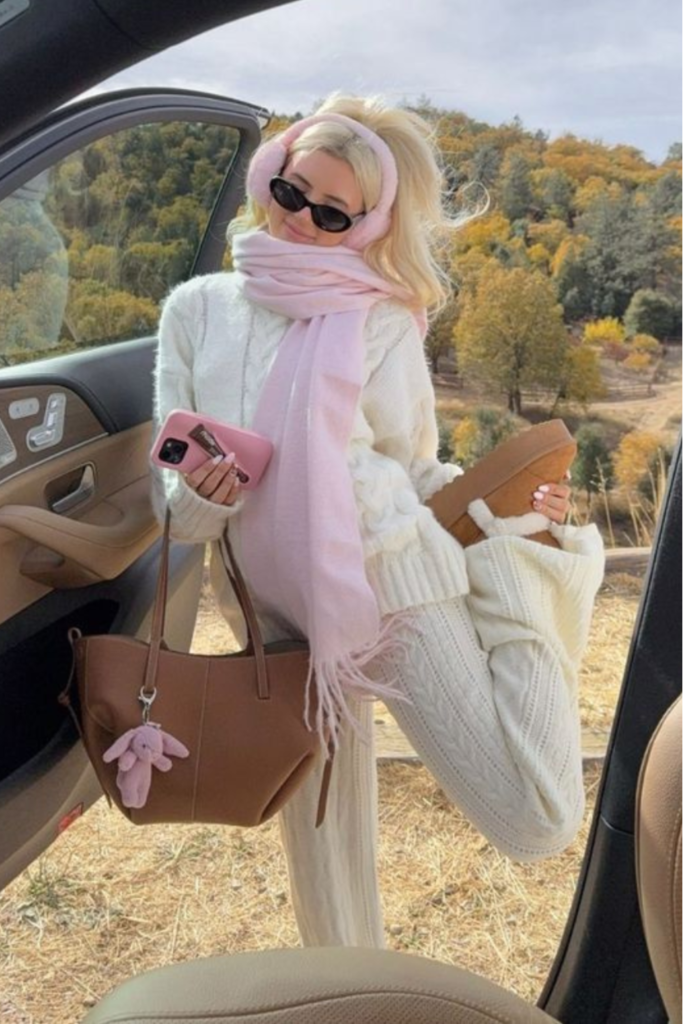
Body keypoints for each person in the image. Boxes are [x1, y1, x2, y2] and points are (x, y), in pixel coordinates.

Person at [151, 93, 604, 949]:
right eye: (292, 193)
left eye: (332, 214)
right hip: (273, 609)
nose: (300, 220)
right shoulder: (195, 310)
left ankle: (524, 579)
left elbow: (413, 466)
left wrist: (514, 519)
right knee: (323, 846)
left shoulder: (382, 319)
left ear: (364, 224)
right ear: (269, 175)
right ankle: (346, 992)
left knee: (535, 818)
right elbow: (173, 505)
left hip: (393, 581)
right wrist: (205, 496)